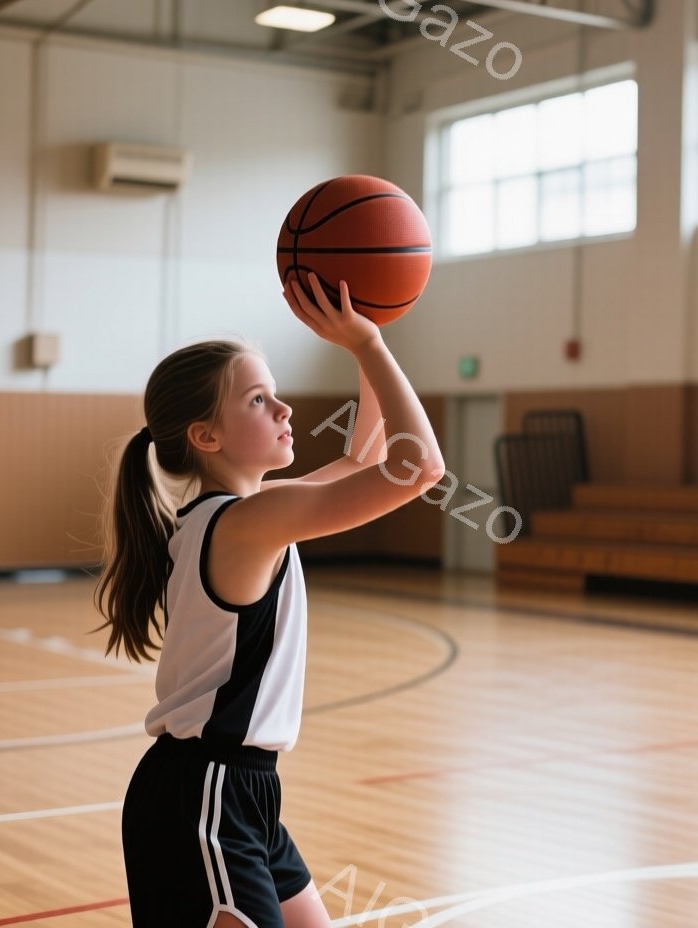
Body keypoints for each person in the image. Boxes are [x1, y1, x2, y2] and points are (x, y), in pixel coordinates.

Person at [94, 272, 444, 927]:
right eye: (259, 400)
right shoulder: (245, 523)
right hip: (206, 795)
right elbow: (418, 468)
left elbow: (365, 457)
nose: (284, 410)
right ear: (206, 436)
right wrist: (366, 345)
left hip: (238, 792)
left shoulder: (245, 513)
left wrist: (369, 330)